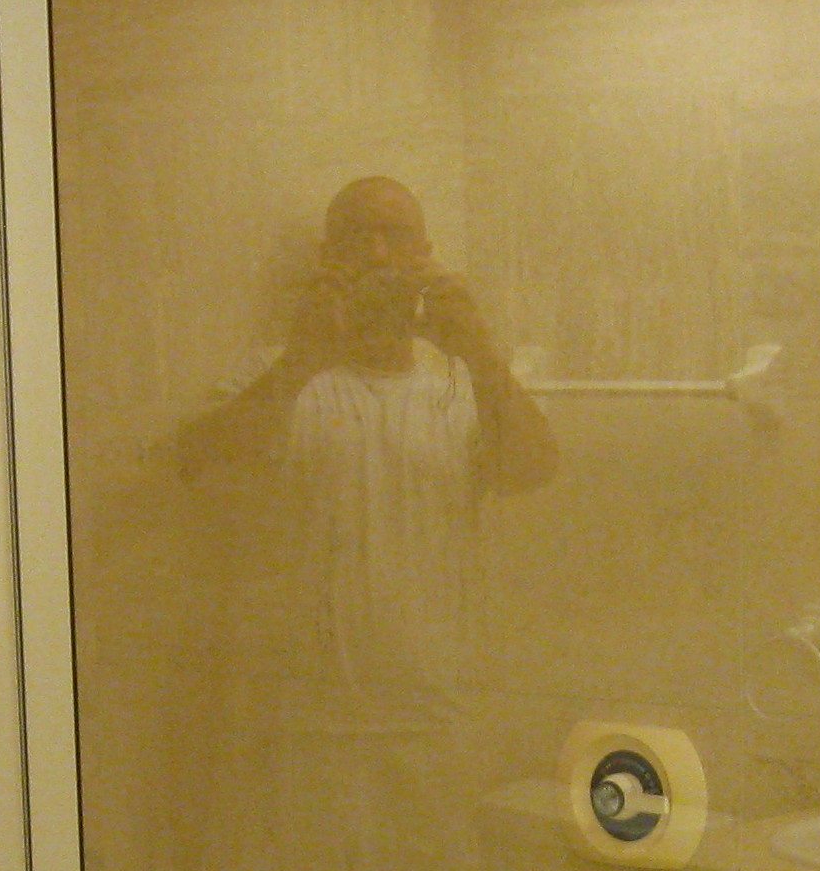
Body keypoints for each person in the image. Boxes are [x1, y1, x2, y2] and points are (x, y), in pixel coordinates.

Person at [179, 177, 555, 693]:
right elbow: (197, 465)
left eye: (395, 235)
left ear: (425, 255)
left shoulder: (464, 383)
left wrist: (480, 352)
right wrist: (302, 358)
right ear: (327, 256)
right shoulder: (272, 375)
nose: (378, 255)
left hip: (439, 697)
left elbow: (531, 473)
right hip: (299, 702)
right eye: (357, 236)